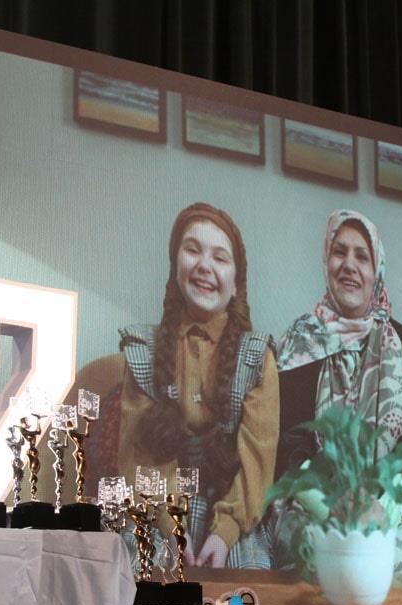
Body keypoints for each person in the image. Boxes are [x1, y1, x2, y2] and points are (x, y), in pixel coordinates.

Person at [84, 202, 279, 568]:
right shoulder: (144, 350)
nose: (205, 265)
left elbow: (258, 464)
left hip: (234, 515)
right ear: (175, 268)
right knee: (144, 572)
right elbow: (137, 456)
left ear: (236, 283)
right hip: (159, 505)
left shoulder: (258, 357)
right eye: (193, 250)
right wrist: (172, 527)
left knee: (245, 590)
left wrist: (225, 533)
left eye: (220, 258)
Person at [272, 209, 402, 574]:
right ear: (326, 262)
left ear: (377, 269)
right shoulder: (299, 344)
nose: (349, 265)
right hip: (314, 504)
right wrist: (331, 503)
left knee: (400, 560)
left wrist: (384, 504)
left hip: (392, 502)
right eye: (340, 252)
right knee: (324, 557)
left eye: (362, 256)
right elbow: (289, 446)